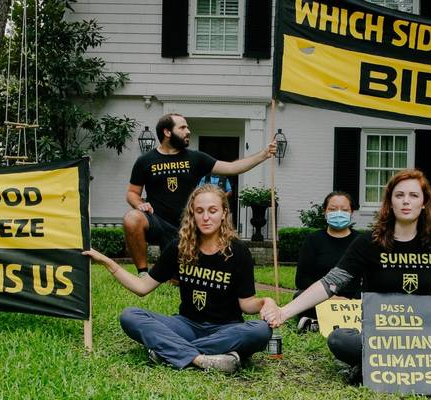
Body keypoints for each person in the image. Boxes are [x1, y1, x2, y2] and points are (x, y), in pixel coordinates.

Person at [265, 169, 431, 383]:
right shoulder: (368, 243)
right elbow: (331, 283)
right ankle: (426, 365)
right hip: (380, 338)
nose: (406, 201)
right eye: (399, 195)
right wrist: (284, 312)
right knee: (339, 340)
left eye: (413, 195)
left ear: (424, 202)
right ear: (390, 201)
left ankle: (374, 366)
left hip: (422, 337)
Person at [85, 184, 275, 373]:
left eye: (213, 210)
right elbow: (142, 287)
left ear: (224, 213)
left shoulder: (239, 252)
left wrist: (267, 301)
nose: (206, 217)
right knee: (130, 316)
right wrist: (106, 261)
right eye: (199, 211)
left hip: (226, 329)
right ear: (192, 214)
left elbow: (246, 304)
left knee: (260, 331)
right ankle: (202, 358)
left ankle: (169, 351)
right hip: (185, 325)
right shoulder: (180, 247)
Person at [125, 113, 277, 275]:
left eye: (188, 127)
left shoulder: (195, 158)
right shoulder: (145, 161)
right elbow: (132, 193)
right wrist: (139, 204)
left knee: (179, 279)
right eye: (182, 127)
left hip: (187, 225)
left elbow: (232, 168)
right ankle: (142, 272)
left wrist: (263, 154)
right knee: (132, 218)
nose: (188, 131)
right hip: (157, 221)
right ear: (167, 132)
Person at [293, 191, 360, 331]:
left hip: (353, 301)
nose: (339, 213)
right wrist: (331, 298)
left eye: (345, 209)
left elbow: (369, 278)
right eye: (332, 209)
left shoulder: (361, 241)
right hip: (321, 298)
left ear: (352, 212)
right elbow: (301, 280)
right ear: (325, 212)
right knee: (299, 296)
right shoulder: (313, 240)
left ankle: (318, 323)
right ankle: (333, 322)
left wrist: (348, 300)